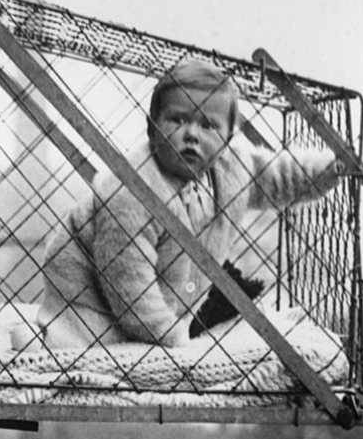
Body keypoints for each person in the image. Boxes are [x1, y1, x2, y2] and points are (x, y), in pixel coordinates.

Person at [31, 58, 344, 350]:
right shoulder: (131, 192)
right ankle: (49, 336)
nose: (192, 134)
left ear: (227, 138)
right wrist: (174, 341)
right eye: (177, 120)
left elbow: (281, 177)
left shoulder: (232, 168)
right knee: (84, 344)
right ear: (152, 128)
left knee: (182, 326)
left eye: (208, 125)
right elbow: (130, 287)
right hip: (88, 298)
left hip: (167, 298)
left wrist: (331, 170)